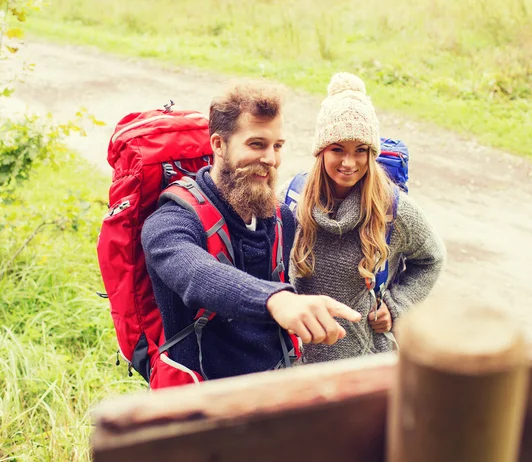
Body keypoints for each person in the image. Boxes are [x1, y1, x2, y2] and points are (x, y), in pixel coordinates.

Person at [141, 80, 361, 382]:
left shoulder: (280, 217)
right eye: (257, 144)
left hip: (272, 390)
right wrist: (277, 300)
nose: (270, 159)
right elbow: (196, 274)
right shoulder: (172, 221)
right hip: (200, 405)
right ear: (218, 145)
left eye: (277, 146)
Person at [287, 72, 446, 364]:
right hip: (297, 363)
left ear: (372, 154)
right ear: (321, 150)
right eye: (337, 149)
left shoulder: (393, 209)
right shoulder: (293, 199)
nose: (349, 162)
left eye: (360, 150)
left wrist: (396, 306)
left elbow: (432, 258)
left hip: (364, 362)